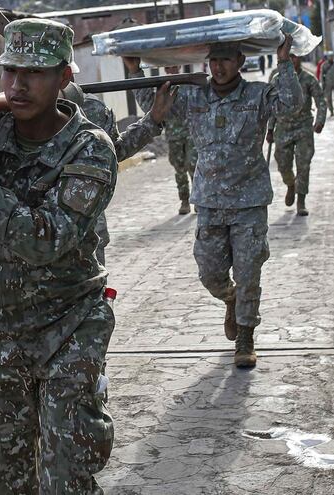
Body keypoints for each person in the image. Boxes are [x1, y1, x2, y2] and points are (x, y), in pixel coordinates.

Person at [0, 19, 164, 493]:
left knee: (67, 476)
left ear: (64, 77)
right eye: (10, 71)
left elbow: (44, 242)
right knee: (6, 474)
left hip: (68, 327)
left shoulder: (90, 147)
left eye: (34, 73)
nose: (18, 85)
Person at [126, 36, 302, 368]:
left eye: (225, 60)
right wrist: (136, 71)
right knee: (209, 273)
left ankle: (246, 338)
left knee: (249, 272)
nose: (218, 67)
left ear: (240, 62)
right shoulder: (193, 96)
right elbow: (154, 102)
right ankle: (231, 299)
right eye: (213, 61)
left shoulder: (257, 95)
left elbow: (291, 105)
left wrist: (283, 63)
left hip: (249, 203)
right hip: (209, 202)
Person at [61, 72, 174, 261]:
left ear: (66, 75)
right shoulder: (9, 112)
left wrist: (152, 119)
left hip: (83, 233)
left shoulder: (90, 108)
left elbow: (114, 152)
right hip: (25, 238)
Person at [267, 54, 326, 217]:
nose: (292, 60)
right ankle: (290, 184)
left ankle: (301, 200)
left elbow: (320, 100)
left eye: (295, 57)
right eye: (289, 57)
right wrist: (270, 129)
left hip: (303, 127)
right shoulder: (277, 79)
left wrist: (320, 121)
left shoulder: (308, 79)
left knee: (303, 164)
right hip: (283, 128)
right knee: (282, 163)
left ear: (299, 59)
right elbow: (271, 105)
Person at [161, 65, 198, 215]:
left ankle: (197, 199)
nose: (171, 70)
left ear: (179, 66)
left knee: (193, 165)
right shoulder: (163, 88)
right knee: (179, 168)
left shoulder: (188, 85)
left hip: (190, 133)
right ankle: (184, 200)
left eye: (174, 67)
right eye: (168, 67)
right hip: (173, 135)